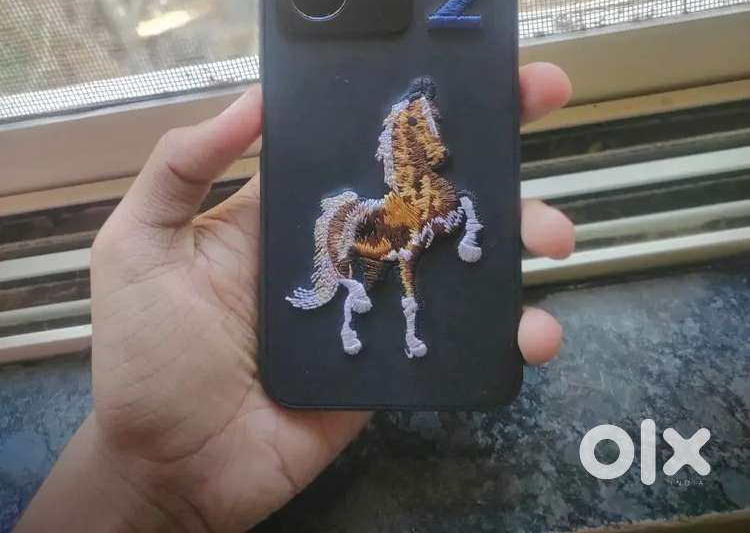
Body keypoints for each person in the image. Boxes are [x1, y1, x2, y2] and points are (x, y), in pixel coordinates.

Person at [18, 63, 574, 532]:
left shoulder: (436, 173)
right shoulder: (387, 178)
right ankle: (352, 300)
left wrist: (139, 485)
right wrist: (141, 477)